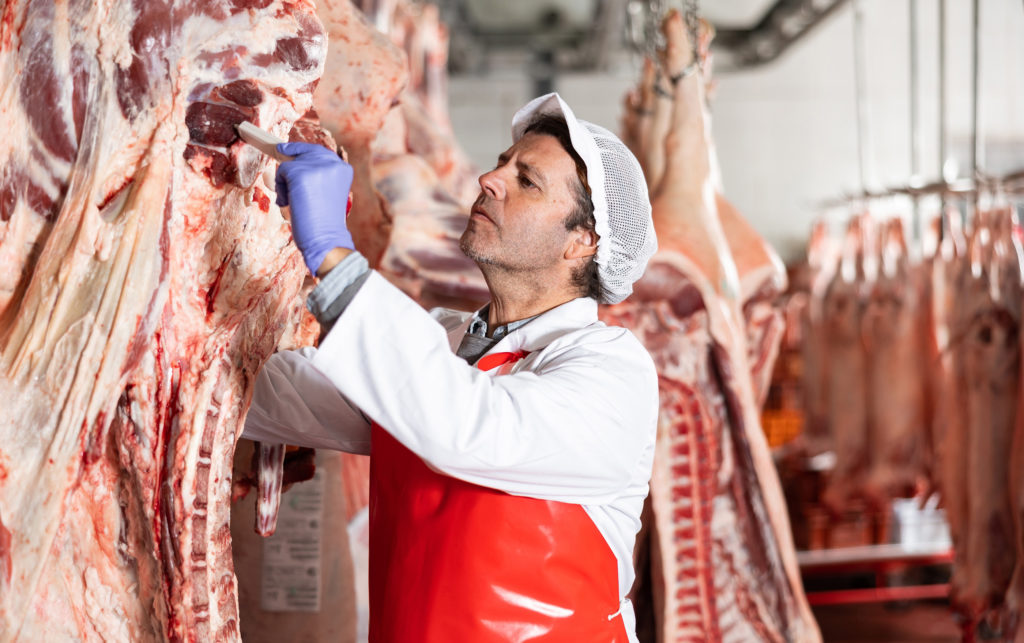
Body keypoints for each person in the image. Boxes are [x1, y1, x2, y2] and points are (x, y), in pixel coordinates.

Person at [244, 93, 659, 642]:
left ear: (582, 242)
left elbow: (470, 426)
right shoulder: (446, 343)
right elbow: (279, 395)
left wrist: (334, 256)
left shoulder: (611, 370)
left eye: (527, 180)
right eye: (502, 162)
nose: (490, 178)